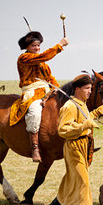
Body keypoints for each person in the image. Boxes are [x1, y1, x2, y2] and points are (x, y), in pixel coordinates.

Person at [46, 74, 103, 205]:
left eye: (91, 88)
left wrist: (96, 113)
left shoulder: (82, 104)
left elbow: (84, 118)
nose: (89, 91)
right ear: (77, 89)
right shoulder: (69, 106)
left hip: (83, 146)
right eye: (87, 88)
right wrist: (84, 126)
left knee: (71, 178)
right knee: (83, 181)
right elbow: (63, 129)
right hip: (73, 147)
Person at [10, 30, 68, 162]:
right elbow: (43, 56)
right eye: (33, 46)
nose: (36, 48)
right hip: (32, 92)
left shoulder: (43, 64)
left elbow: (50, 78)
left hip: (46, 91)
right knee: (34, 112)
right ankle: (35, 147)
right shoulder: (24, 58)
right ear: (27, 47)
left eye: (38, 46)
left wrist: (57, 88)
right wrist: (60, 45)